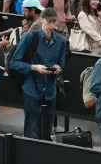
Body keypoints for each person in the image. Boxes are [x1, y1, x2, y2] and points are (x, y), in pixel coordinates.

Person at [10, 8, 66, 140]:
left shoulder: (61, 41)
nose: (53, 26)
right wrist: (34, 67)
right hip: (32, 89)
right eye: (50, 22)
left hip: (50, 90)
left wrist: (58, 68)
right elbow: (14, 63)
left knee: (46, 132)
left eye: (54, 22)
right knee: (31, 131)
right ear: (41, 20)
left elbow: (61, 64)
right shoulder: (30, 37)